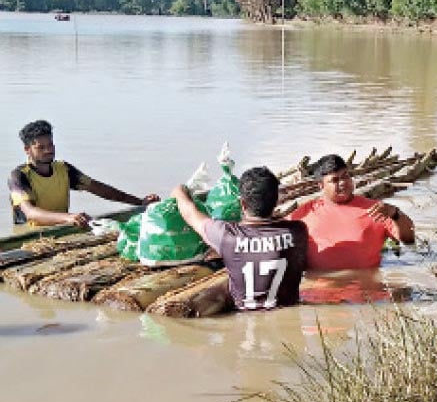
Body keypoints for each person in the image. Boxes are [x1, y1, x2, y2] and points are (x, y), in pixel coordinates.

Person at [173, 166, 308, 311]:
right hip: (286, 317)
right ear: (276, 202)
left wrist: (179, 192)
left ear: (242, 204)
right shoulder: (297, 231)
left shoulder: (227, 236)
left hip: (244, 317)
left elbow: (190, 214)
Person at [9, 119, 160, 228]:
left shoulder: (63, 169)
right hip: (31, 235)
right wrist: (68, 218)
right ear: (27, 150)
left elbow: (101, 190)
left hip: (62, 226)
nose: (48, 150)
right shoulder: (19, 176)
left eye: (50, 145)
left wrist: (140, 203)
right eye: (41, 147)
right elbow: (30, 213)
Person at [287, 155, 415, 271]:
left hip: (367, 291)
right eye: (335, 180)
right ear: (320, 185)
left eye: (345, 176)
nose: (343, 183)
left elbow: (409, 239)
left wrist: (395, 213)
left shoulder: (375, 209)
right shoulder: (305, 213)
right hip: (320, 291)